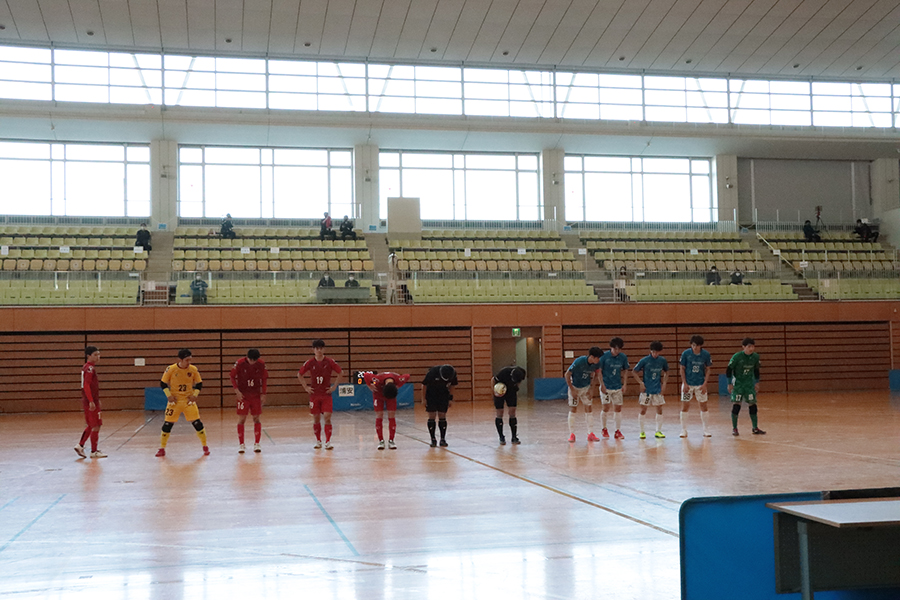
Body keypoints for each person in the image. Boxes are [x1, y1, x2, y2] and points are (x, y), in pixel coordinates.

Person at [156, 349, 209, 457]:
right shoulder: (171, 369)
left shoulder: (193, 369)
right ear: (180, 360)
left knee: (197, 423)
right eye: (186, 360)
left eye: (190, 360)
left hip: (188, 401)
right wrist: (168, 395)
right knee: (167, 425)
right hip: (175, 402)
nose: (189, 362)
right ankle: (162, 448)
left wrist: (195, 395)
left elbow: (199, 383)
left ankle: (205, 446)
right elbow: (163, 383)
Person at [298, 339, 342, 449]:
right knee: (316, 418)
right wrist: (306, 387)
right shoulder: (310, 362)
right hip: (314, 395)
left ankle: (328, 441)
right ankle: (318, 441)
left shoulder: (329, 362)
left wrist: (334, 386)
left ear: (324, 349)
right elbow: (299, 374)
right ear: (313, 350)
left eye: (321, 348)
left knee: (327, 417)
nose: (319, 350)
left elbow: (340, 372)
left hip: (326, 394)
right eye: (316, 348)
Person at [230, 348, 268, 453]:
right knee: (242, 419)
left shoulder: (261, 364)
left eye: (255, 360)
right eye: (251, 360)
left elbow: (264, 379)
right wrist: (236, 391)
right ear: (247, 358)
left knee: (256, 418)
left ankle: (257, 443)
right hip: (243, 396)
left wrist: (264, 393)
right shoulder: (239, 363)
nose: (252, 362)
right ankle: (241, 444)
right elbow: (232, 376)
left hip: (255, 395)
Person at [727, 337, 765, 436]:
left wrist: (757, 382)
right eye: (749, 347)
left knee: (753, 404)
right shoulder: (737, 357)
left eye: (753, 346)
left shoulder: (755, 357)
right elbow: (729, 369)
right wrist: (729, 383)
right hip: (738, 384)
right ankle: (735, 428)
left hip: (749, 384)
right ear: (743, 347)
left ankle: (755, 427)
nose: (751, 349)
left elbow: (756, 370)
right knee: (737, 405)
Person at [565, 346, 603, 443]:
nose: (599, 360)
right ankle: (572, 434)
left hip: (586, 388)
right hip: (575, 387)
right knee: (573, 409)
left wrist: (591, 388)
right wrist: (572, 389)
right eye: (597, 358)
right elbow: (567, 374)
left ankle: (590, 433)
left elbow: (596, 375)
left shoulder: (596, 364)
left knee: (589, 408)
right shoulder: (579, 361)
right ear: (592, 357)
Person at [364, 371, 411, 449]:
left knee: (391, 416)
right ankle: (381, 441)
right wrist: (369, 385)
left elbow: (407, 375)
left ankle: (391, 441)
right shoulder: (377, 379)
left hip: (391, 396)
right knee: (379, 415)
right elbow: (365, 375)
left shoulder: (398, 379)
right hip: (378, 396)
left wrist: (398, 385)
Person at [75, 346, 107, 459]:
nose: (98, 357)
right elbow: (86, 385)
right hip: (90, 401)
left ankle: (80, 445)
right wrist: (91, 401)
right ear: (88, 356)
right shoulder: (89, 369)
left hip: (89, 400)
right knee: (96, 425)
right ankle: (94, 451)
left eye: (99, 354)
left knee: (91, 424)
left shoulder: (86, 367)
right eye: (95, 354)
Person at [632, 341, 669, 440]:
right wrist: (641, 383)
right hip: (646, 390)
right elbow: (634, 371)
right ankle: (642, 432)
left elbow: (667, 371)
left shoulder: (662, 361)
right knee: (643, 409)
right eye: (653, 352)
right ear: (650, 351)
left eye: (657, 352)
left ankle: (658, 431)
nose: (655, 354)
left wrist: (664, 383)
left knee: (659, 409)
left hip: (657, 389)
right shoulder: (645, 360)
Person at [679, 335, 713, 438]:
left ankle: (706, 429)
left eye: (697, 346)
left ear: (700, 346)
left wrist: (705, 384)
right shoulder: (686, 354)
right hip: (688, 384)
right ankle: (683, 430)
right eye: (693, 345)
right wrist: (684, 383)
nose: (694, 347)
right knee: (685, 406)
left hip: (700, 384)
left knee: (703, 406)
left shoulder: (705, 354)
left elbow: (708, 369)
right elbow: (682, 368)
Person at [598, 337, 629, 440]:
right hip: (606, 386)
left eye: (619, 349)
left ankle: (617, 431)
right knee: (606, 407)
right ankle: (604, 428)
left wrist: (624, 384)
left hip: (617, 386)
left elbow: (625, 370)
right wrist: (602, 384)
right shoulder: (604, 357)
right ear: (611, 347)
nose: (617, 351)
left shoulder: (623, 357)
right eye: (615, 349)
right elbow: (599, 371)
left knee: (618, 408)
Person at [422, 364, 457, 447]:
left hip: (443, 395)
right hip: (431, 395)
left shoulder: (452, 373)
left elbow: (452, 386)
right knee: (432, 416)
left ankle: (442, 439)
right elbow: (424, 385)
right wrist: (424, 399)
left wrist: (450, 399)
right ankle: (433, 439)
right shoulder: (432, 372)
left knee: (442, 415)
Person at [492, 365, 526, 445]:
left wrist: (516, 387)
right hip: (500, 390)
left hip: (511, 391)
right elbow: (493, 380)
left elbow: (519, 382)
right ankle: (501, 437)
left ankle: (514, 437)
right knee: (499, 413)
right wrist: (494, 392)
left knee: (512, 412)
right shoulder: (504, 372)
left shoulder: (522, 372)